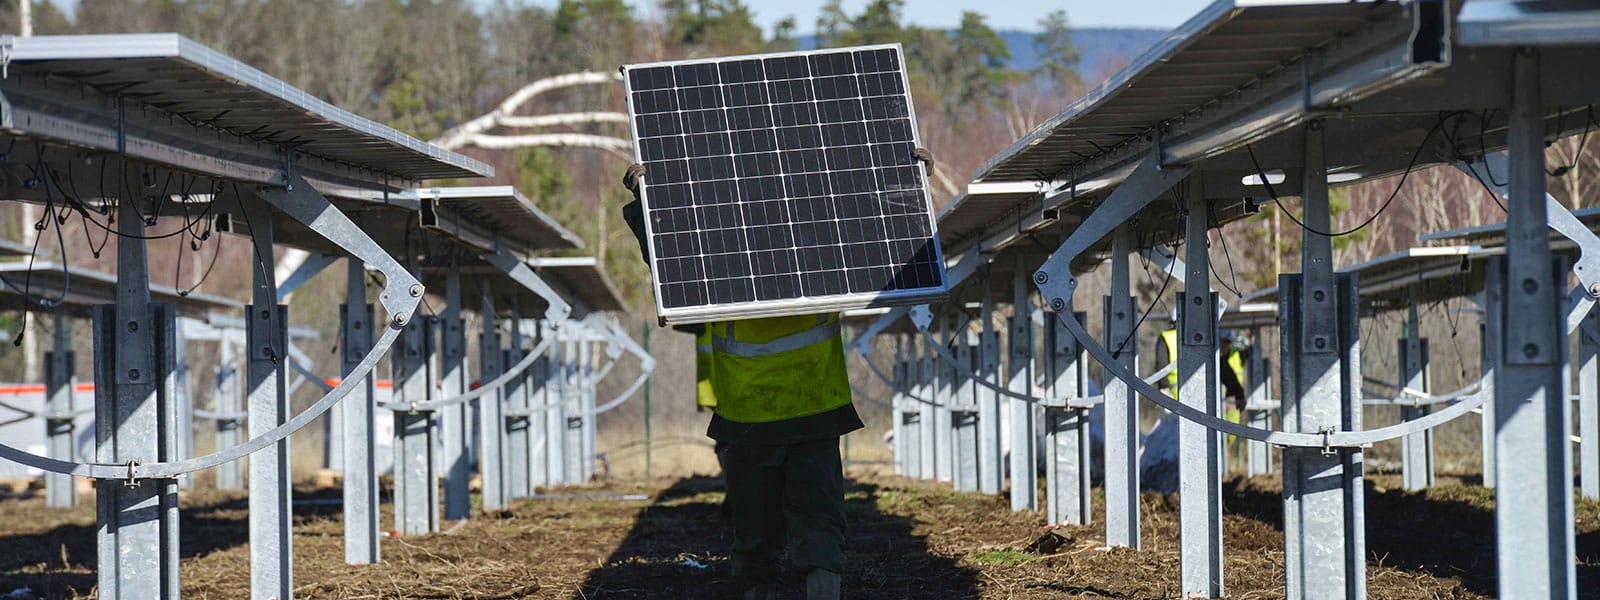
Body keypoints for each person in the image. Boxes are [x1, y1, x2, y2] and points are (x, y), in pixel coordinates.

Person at [621, 162, 871, 600]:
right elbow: (871, 231)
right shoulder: (817, 233)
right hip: (808, 406)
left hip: (755, 412)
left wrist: (645, 203)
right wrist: (902, 181)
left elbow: (668, 264)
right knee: (817, 531)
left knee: (761, 540)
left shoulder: (716, 244)